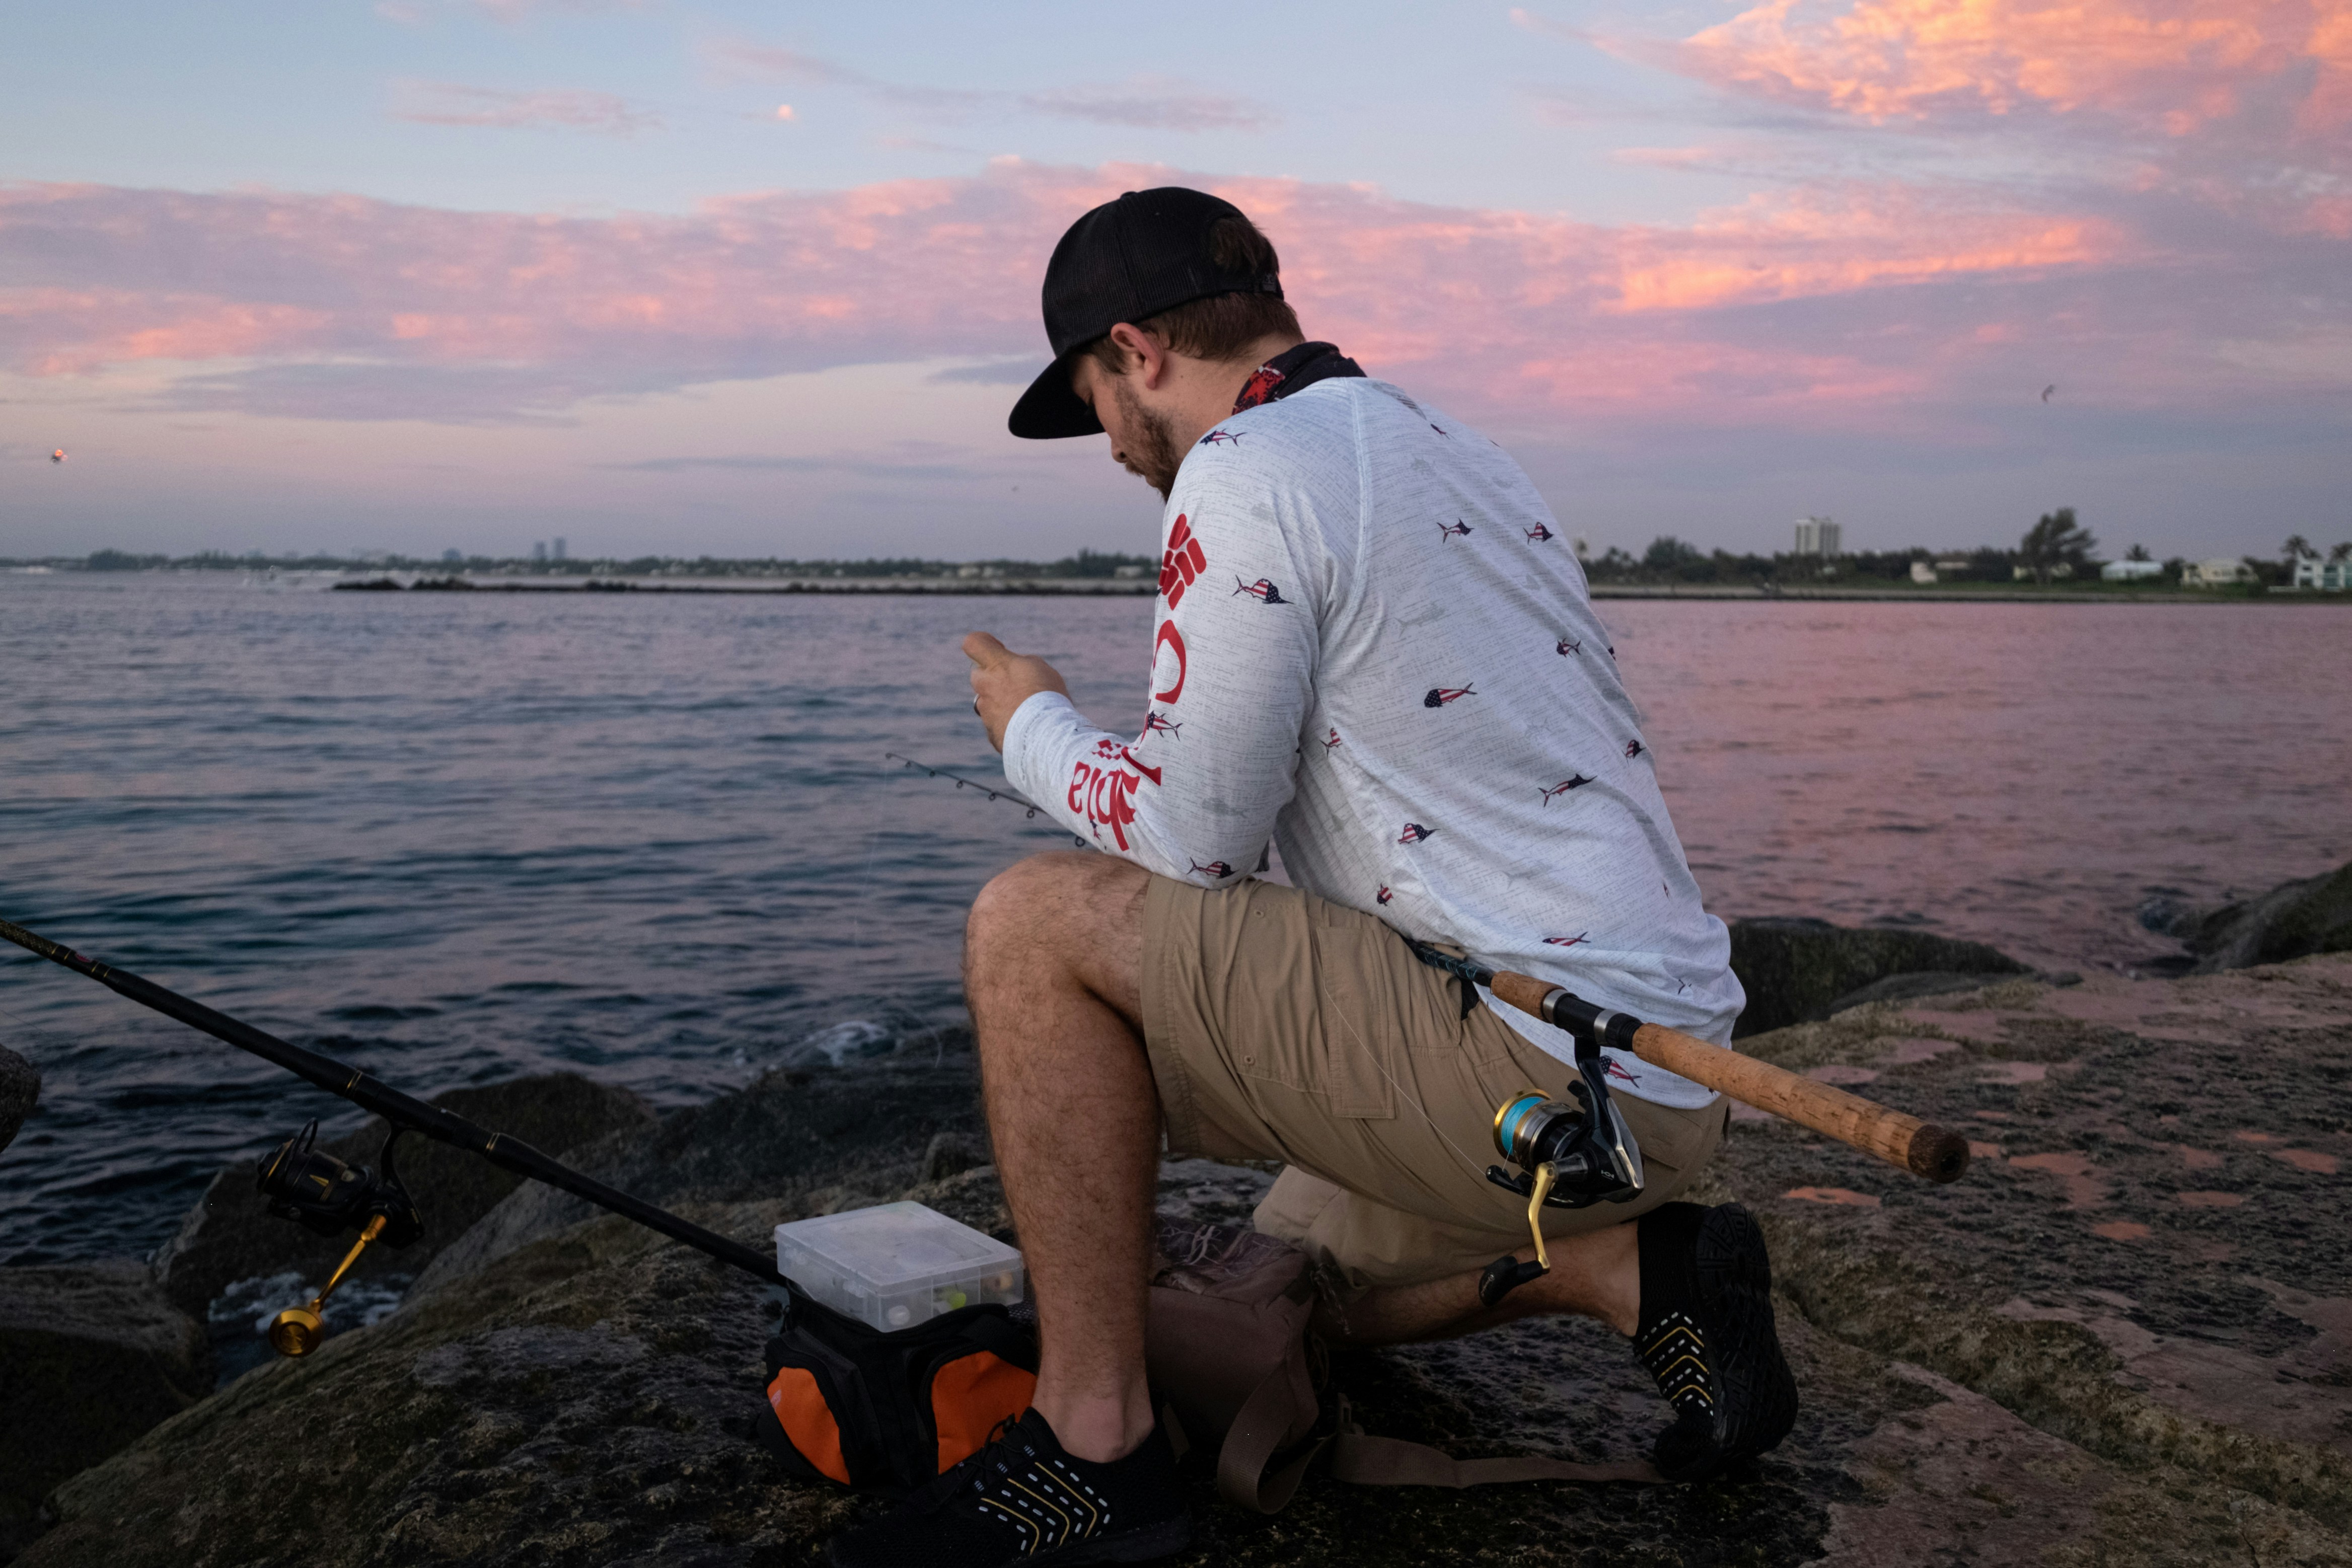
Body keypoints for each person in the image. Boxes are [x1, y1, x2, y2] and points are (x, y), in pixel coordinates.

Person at [826, 188, 1795, 1568]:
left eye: (1098, 395)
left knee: (1029, 925)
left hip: (1526, 1060)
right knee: (1256, 1292)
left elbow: (1201, 835)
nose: (1108, 440)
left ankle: (1094, 1452)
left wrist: (1031, 727)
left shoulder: (1247, 466)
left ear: (1137, 350)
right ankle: (1637, 1270)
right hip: (1665, 1072)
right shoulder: (1458, 449)